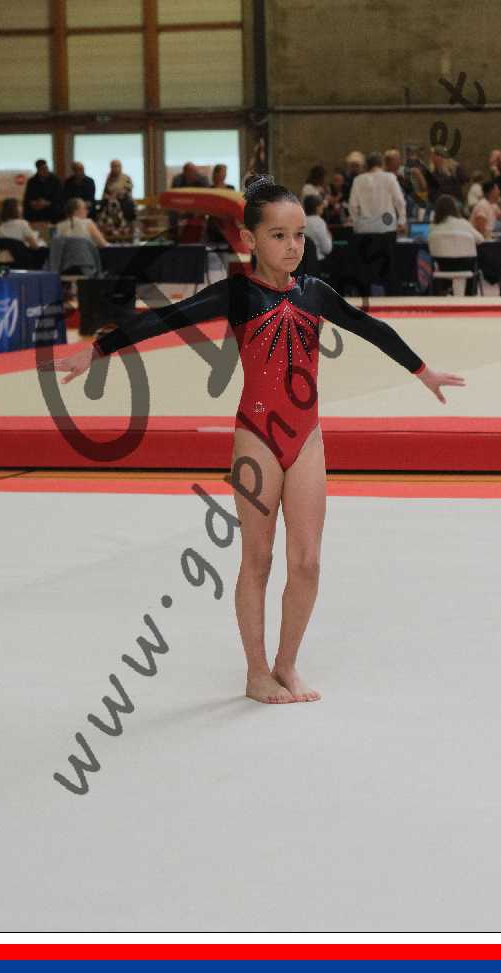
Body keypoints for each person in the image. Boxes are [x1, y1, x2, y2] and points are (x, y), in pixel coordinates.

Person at [52, 174, 465, 705]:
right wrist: (98, 350)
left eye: (299, 235)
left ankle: (286, 664)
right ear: (250, 239)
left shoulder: (315, 293)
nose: (293, 246)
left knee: (308, 560)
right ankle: (255, 672)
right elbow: (166, 320)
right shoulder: (237, 294)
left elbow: (369, 327)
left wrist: (423, 371)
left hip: (306, 437)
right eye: (278, 235)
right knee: (259, 559)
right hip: (257, 438)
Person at [348, 150, 408, 295]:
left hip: (364, 230)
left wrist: (357, 223)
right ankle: (391, 299)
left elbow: (353, 206)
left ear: (367, 165)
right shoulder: (390, 178)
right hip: (386, 229)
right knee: (389, 268)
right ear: (381, 163)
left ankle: (365, 299)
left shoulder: (358, 180)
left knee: (366, 269)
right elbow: (399, 201)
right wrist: (402, 220)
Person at [428, 194, 485, 295]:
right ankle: (469, 295)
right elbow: (480, 239)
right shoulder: (463, 223)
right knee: (474, 261)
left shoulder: (433, 227)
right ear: (455, 208)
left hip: (443, 268)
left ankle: (442, 292)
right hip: (465, 267)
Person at [23, 159, 64, 225]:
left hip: (52, 208)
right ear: (38, 170)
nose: (45, 171)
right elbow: (28, 197)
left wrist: (46, 203)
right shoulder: (32, 181)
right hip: (36, 209)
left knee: (57, 209)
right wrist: (34, 203)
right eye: (42, 169)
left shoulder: (55, 180)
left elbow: (59, 197)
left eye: (46, 168)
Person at [302, 193, 333, 260]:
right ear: (318, 208)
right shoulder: (319, 223)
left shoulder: (300, 221)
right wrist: (330, 237)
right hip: (317, 261)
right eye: (322, 205)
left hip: (302, 261)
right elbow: (327, 249)